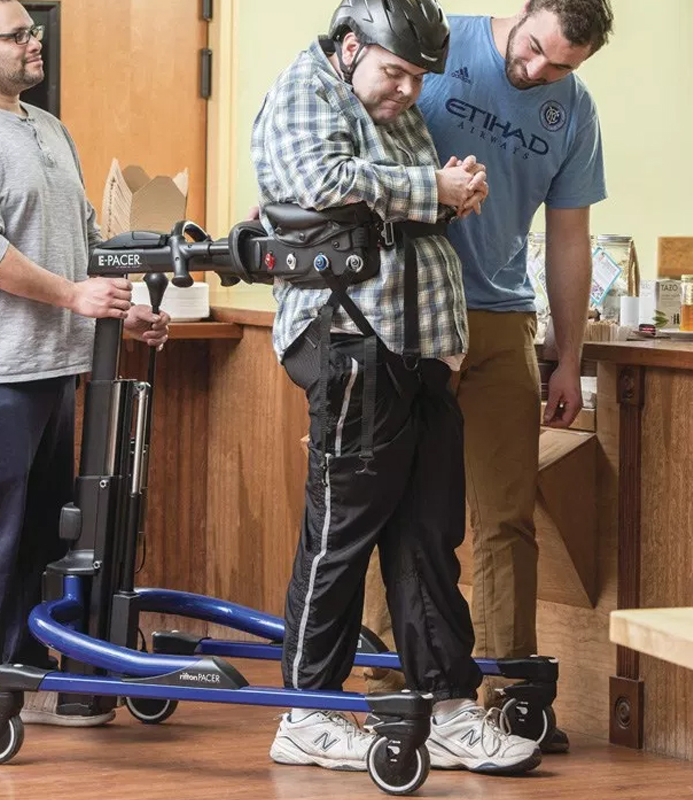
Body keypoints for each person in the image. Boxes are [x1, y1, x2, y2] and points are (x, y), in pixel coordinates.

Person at [252, 0, 542, 775]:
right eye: (395, 72)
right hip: (349, 342)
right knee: (342, 533)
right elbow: (321, 182)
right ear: (351, 47)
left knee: (428, 532)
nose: (408, 91)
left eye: (418, 77)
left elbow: (407, 195)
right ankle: (306, 710)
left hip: (417, 347)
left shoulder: (389, 104)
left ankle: (446, 705)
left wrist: (455, 191)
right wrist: (432, 189)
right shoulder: (305, 90)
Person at [0, 0, 169, 752]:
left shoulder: (49, 129)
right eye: (17, 34)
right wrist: (72, 297)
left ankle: (21, 675)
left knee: (39, 538)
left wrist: (124, 309)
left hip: (56, 365)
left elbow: (87, 241)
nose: (35, 43)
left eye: (35, 31)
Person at [362, 0, 614, 754]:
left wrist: (568, 354)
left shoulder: (572, 112)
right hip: (402, 309)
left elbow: (569, 235)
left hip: (500, 319)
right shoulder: (436, 46)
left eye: (561, 65)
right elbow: (361, 142)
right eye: (535, 49)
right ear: (522, 12)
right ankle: (387, 686)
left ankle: (512, 693)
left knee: (507, 515)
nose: (538, 71)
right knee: (388, 507)